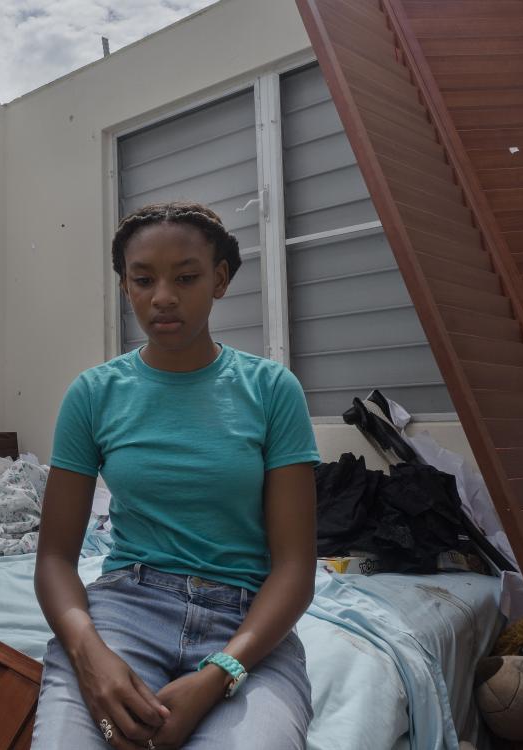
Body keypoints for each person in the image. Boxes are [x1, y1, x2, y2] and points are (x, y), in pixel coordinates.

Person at [31, 201, 320, 749]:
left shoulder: (271, 390)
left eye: (185, 278)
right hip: (126, 611)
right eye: (143, 280)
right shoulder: (93, 394)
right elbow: (53, 560)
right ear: (126, 286)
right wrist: (89, 654)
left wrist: (221, 673)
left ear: (220, 280)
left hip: (248, 627)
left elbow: (295, 568)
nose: (162, 297)